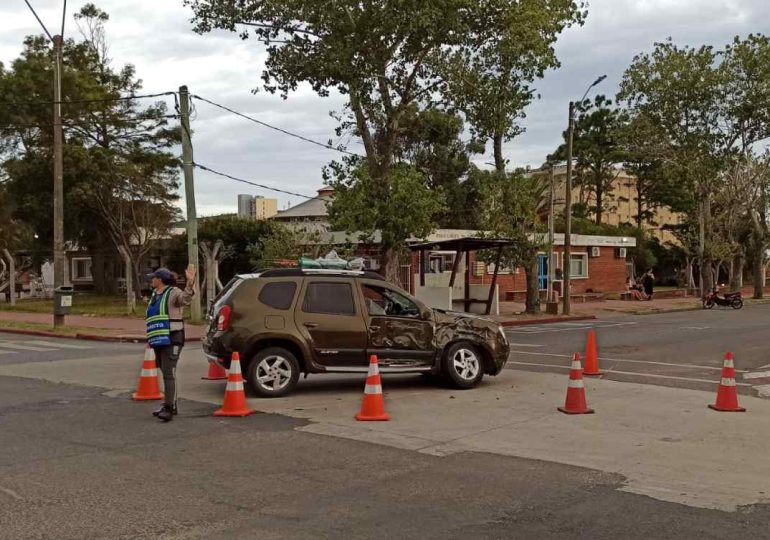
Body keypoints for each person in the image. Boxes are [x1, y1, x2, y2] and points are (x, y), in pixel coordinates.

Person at [146, 265, 195, 422]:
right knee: (163, 368)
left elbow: (185, 300)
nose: (151, 280)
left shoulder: (174, 292)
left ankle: (169, 407)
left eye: (153, 277)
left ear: (160, 279)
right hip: (158, 337)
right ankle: (169, 403)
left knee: (169, 371)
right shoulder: (155, 294)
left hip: (173, 336)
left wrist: (190, 283)